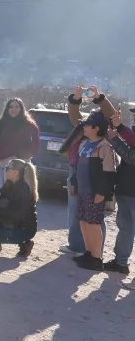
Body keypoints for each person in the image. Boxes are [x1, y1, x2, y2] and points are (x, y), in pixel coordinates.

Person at [60, 86, 114, 256]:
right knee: (77, 211)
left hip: (95, 175)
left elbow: (111, 114)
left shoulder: (104, 130)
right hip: (76, 170)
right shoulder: (85, 126)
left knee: (95, 216)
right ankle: (77, 246)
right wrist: (76, 99)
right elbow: (74, 115)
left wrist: (100, 98)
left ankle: (96, 253)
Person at [69, 111, 117, 271]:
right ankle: (88, 253)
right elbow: (77, 167)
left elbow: (109, 173)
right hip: (82, 190)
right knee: (83, 221)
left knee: (94, 223)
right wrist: (74, 183)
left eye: (87, 125)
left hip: (94, 193)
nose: (84, 127)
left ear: (96, 128)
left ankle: (96, 258)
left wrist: (102, 193)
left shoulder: (104, 147)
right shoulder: (84, 144)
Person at [0, 158, 38, 257]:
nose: (5, 170)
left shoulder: (24, 188)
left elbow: (19, 214)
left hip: (25, 228)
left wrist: (2, 208)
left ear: (15, 172)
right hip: (14, 222)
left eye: (7, 168)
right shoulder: (9, 183)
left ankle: (25, 243)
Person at [102, 109, 135, 275]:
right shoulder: (132, 134)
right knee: (125, 227)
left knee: (127, 227)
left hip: (130, 191)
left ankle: (121, 262)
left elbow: (131, 157)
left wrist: (114, 139)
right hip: (126, 189)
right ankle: (120, 262)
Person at [0, 98, 40, 191]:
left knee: (10, 192)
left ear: (21, 109)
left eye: (17, 107)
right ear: (7, 109)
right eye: (11, 107)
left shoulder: (28, 124)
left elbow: (36, 143)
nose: (14, 109)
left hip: (15, 164)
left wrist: (24, 157)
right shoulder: (2, 122)